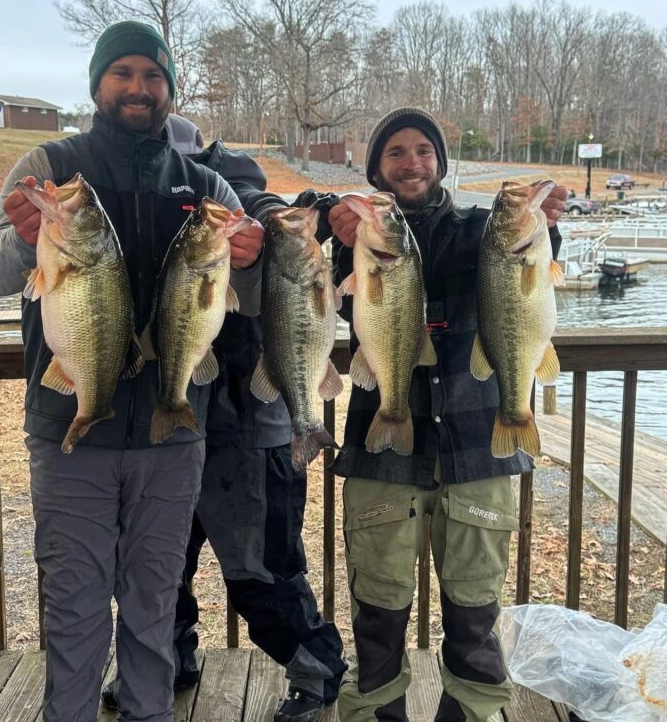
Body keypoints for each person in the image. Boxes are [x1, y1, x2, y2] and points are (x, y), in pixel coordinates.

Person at [0, 21, 264, 722]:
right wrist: (21, 239)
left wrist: (255, 261)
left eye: (153, 76)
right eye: (124, 73)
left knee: (154, 602)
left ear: (169, 90)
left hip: (172, 437)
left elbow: (247, 299)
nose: (139, 88)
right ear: (98, 83)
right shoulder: (48, 166)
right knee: (74, 605)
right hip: (70, 428)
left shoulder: (205, 185)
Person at [100, 114, 347, 722]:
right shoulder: (121, 194)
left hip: (249, 424)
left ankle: (316, 672)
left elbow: (269, 209)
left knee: (261, 567)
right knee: (157, 564)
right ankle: (170, 657)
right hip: (166, 419)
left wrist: (311, 213)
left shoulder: (227, 177)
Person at [328, 107, 566, 722]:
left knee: (475, 602)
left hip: (477, 440)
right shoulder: (358, 235)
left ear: (440, 162)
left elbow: (523, 263)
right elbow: (322, 269)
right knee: (377, 603)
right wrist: (335, 233)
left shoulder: (477, 230)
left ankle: (473, 710)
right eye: (396, 153)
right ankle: (378, 709)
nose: (412, 163)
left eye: (423, 151)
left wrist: (548, 223)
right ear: (376, 168)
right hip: (383, 442)